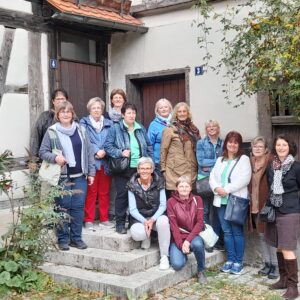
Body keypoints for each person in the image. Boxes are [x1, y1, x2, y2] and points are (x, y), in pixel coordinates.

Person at [39, 101, 95, 251]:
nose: (65, 114)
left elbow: (89, 152)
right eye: (62, 111)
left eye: (68, 111)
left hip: (80, 176)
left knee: (78, 207)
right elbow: (43, 151)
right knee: (63, 207)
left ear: (72, 114)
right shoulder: (52, 131)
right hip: (62, 176)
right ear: (58, 114)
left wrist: (91, 172)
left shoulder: (81, 130)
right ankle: (63, 239)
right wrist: (55, 158)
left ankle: (76, 238)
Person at [104, 103, 153, 234]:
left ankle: (133, 222)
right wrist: (121, 152)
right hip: (123, 168)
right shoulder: (116, 128)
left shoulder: (140, 128)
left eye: (133, 113)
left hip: (140, 169)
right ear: (123, 114)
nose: (131, 115)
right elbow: (107, 147)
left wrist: (149, 161)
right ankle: (120, 223)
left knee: (138, 195)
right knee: (122, 195)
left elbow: (148, 146)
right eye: (129, 113)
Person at [209, 131, 251, 275]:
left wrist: (225, 189)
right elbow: (212, 177)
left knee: (237, 232)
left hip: (235, 200)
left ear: (239, 145)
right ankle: (230, 260)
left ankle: (238, 262)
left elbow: (244, 179)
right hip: (221, 201)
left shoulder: (243, 159)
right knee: (226, 232)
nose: (232, 144)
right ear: (226, 143)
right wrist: (216, 188)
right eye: (230, 141)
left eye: (235, 142)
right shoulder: (220, 159)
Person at [264, 134, 300, 299]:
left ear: (290, 147)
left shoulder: (296, 167)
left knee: (287, 247)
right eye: (278, 145)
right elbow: (270, 187)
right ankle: (283, 279)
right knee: (278, 245)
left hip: (290, 210)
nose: (281, 147)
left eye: (284, 145)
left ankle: (293, 287)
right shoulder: (271, 166)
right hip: (275, 210)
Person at [127, 157, 170, 270]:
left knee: (164, 221)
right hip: (140, 218)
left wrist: (152, 220)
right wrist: (145, 221)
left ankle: (164, 256)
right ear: (138, 170)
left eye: (147, 168)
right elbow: (132, 210)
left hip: (155, 217)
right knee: (138, 234)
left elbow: (163, 205)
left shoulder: (159, 181)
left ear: (152, 169)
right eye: (142, 168)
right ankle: (147, 236)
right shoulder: (131, 184)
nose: (144, 171)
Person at [80, 97, 114, 231]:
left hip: (105, 162)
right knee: (91, 192)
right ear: (89, 109)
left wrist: (105, 150)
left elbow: (112, 139)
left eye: (99, 108)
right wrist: (95, 151)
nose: (96, 110)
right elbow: (84, 140)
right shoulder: (84, 123)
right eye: (94, 108)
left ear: (102, 110)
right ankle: (88, 219)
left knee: (104, 192)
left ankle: (104, 219)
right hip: (91, 163)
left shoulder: (109, 123)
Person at [167, 176, 207, 284]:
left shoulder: (197, 200)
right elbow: (174, 226)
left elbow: (199, 223)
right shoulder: (171, 202)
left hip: (193, 236)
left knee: (198, 244)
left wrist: (188, 241)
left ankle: (201, 270)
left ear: (190, 188)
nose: (184, 189)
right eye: (181, 186)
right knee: (177, 265)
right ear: (176, 188)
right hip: (178, 237)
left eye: (186, 186)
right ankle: (184, 252)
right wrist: (181, 244)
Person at [248, 136, 278, 279]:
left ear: (266, 149)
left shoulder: (271, 162)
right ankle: (267, 263)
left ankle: (276, 266)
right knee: (261, 235)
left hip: (267, 205)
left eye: (261, 146)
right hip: (254, 205)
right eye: (255, 146)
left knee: (270, 235)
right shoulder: (250, 162)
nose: (258, 149)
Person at [160, 102, 200, 196]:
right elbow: (163, 150)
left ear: (188, 113)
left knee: (189, 201)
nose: (182, 113)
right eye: (179, 112)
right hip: (175, 172)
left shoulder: (193, 130)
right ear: (176, 114)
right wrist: (163, 169)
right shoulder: (169, 130)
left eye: (184, 111)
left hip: (190, 169)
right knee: (176, 202)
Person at [196, 120, 224, 252]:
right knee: (205, 211)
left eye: (214, 126)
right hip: (204, 181)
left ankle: (218, 240)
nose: (212, 128)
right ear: (206, 129)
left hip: (219, 181)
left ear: (218, 129)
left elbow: (227, 160)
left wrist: (212, 165)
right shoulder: (201, 143)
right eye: (209, 127)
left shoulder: (223, 143)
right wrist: (218, 162)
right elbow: (201, 162)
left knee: (218, 211)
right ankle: (208, 240)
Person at [30, 89, 68, 157]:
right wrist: (34, 159)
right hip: (48, 156)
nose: (60, 101)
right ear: (53, 101)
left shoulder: (71, 116)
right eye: (58, 99)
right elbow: (36, 137)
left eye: (62, 99)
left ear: (66, 101)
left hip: (68, 156)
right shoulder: (45, 116)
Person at [147, 98, 173, 172]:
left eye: (165, 107)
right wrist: (151, 161)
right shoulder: (153, 125)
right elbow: (149, 145)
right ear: (157, 110)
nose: (164, 109)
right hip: (159, 162)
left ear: (170, 108)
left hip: (174, 161)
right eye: (161, 108)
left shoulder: (175, 122)